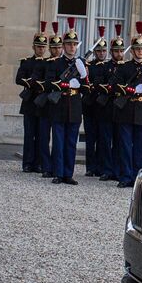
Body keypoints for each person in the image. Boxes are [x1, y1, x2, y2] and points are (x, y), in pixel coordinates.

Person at [112, 23, 142, 187]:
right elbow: (115, 86)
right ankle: (125, 176)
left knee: (139, 147)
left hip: (141, 110)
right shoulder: (124, 68)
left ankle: (138, 177)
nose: (140, 51)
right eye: (137, 49)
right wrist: (132, 90)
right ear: (132, 50)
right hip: (127, 109)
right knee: (125, 146)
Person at [47, 18, 86, 185]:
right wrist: (65, 84)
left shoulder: (81, 63)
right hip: (59, 106)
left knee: (71, 143)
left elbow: (86, 86)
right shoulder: (56, 63)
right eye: (69, 44)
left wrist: (81, 80)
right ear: (63, 46)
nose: (72, 47)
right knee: (58, 143)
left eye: (74, 44)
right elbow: (49, 83)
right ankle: (58, 173)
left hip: (74, 108)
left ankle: (68, 174)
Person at [15, 22, 46, 174]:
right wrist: (30, 82)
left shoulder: (48, 63)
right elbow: (18, 79)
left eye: (43, 47)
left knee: (41, 135)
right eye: (39, 47)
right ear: (34, 47)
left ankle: (39, 163)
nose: (41, 49)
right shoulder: (27, 62)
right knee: (29, 135)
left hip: (41, 103)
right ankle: (27, 163)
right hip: (29, 101)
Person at [83, 27, 112, 179]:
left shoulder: (109, 67)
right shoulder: (90, 66)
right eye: (99, 51)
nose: (101, 53)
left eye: (103, 51)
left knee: (103, 140)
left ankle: (102, 167)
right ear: (95, 52)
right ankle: (90, 167)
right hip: (90, 107)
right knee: (90, 139)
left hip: (104, 109)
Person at [36, 21, 63, 179]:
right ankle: (46, 166)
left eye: (58, 47)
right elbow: (38, 80)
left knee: (58, 139)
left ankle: (56, 166)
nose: (56, 50)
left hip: (59, 104)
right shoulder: (44, 63)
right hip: (46, 103)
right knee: (44, 137)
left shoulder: (64, 64)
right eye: (53, 47)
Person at [102, 25, 126, 178]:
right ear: (111, 52)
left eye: (121, 51)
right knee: (106, 141)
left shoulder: (127, 67)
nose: (119, 53)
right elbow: (98, 83)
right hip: (107, 107)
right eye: (116, 51)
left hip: (122, 109)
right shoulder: (105, 67)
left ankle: (117, 170)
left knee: (119, 142)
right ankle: (107, 170)